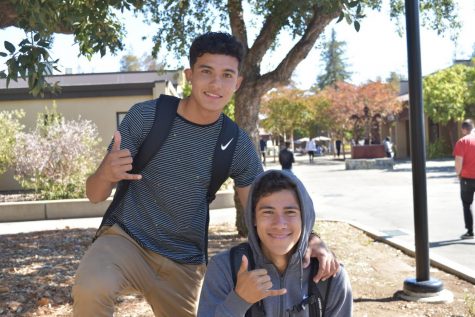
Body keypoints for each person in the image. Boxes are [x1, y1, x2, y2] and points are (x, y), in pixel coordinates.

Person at [72, 32, 338, 317]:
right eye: (206, 72)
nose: (215, 84)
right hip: (126, 241)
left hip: (184, 261)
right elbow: (94, 194)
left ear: (237, 83)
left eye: (226, 75)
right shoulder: (146, 117)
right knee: (91, 286)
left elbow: (263, 209)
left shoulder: (236, 144)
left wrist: (311, 239)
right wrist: (106, 172)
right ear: (190, 75)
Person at [198, 170, 353, 316]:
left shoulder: (330, 277)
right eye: (268, 212)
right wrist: (238, 301)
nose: (279, 224)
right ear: (253, 218)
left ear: (304, 218)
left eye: (290, 212)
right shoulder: (225, 268)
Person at [453, 119, 475, 239]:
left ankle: (470, 231)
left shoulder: (462, 142)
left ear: (464, 129)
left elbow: (458, 161)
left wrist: (458, 174)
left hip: (467, 178)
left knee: (467, 204)